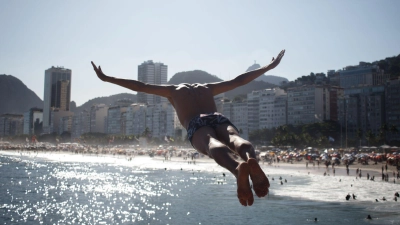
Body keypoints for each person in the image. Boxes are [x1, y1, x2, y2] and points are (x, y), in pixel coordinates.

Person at [91, 50, 286, 206]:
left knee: (210, 144)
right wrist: (269, 66)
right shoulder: (207, 87)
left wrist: (107, 78)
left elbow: (139, 86)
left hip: (196, 123)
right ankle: (250, 158)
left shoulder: (172, 91)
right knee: (234, 139)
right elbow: (239, 80)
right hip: (217, 118)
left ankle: (237, 169)